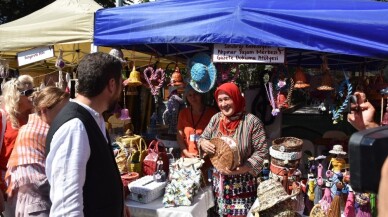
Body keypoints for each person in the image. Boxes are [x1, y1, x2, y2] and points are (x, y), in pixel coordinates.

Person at [45, 52, 130, 217]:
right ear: (111, 85)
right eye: (121, 84)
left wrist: (118, 206)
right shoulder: (75, 127)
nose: (120, 90)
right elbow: (66, 210)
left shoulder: (93, 118)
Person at [198, 82, 269, 217]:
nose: (223, 104)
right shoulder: (216, 120)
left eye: (227, 99)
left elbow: (262, 151)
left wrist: (245, 167)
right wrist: (203, 143)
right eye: (220, 100)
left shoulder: (252, 122)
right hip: (219, 186)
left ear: (236, 98)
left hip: (243, 187)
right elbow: (203, 137)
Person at [4, 86, 69, 217]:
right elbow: (36, 179)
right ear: (45, 110)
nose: (66, 116)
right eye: (62, 111)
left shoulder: (32, 128)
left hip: (31, 201)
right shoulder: (38, 132)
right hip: (36, 204)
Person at [0, 75, 35, 215]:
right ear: (16, 96)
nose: (33, 96)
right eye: (28, 93)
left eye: (34, 90)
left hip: (32, 184)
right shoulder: (2, 117)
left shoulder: (34, 117)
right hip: (8, 186)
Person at [177, 85, 217, 158]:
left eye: (196, 94)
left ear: (201, 95)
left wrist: (206, 153)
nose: (193, 97)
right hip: (188, 159)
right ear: (186, 97)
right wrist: (186, 153)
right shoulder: (183, 113)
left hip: (208, 158)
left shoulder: (212, 113)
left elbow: (217, 137)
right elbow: (179, 137)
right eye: (190, 95)